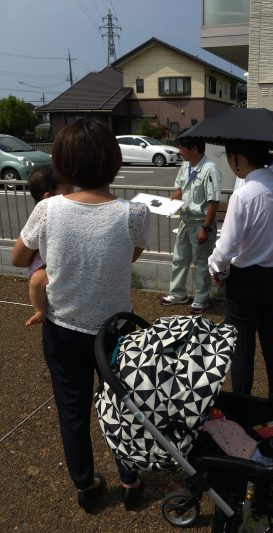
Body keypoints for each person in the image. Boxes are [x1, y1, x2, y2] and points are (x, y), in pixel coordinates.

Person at [12, 118, 150, 512]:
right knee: (124, 406)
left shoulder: (48, 209)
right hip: (116, 332)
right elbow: (130, 257)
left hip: (63, 327)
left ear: (63, 164)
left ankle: (86, 485)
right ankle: (130, 478)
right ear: (115, 161)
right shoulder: (134, 213)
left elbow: (20, 257)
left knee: (71, 409)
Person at [208, 140, 273, 396]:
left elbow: (225, 248)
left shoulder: (244, 195)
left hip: (246, 280)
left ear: (237, 158)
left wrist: (217, 269)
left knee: (242, 347)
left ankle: (243, 407)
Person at [160, 137, 222, 314]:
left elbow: (213, 202)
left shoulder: (210, 169)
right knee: (180, 258)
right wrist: (173, 199)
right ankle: (178, 294)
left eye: (182, 148)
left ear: (194, 148)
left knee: (202, 262)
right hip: (185, 221)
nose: (179, 152)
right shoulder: (187, 165)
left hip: (200, 224)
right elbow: (181, 188)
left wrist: (206, 228)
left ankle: (201, 299)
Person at [25, 164, 73, 327]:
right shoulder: (43, 214)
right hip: (42, 263)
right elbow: (21, 251)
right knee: (38, 280)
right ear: (48, 197)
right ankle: (39, 310)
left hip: (59, 260)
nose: (73, 195)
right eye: (68, 191)